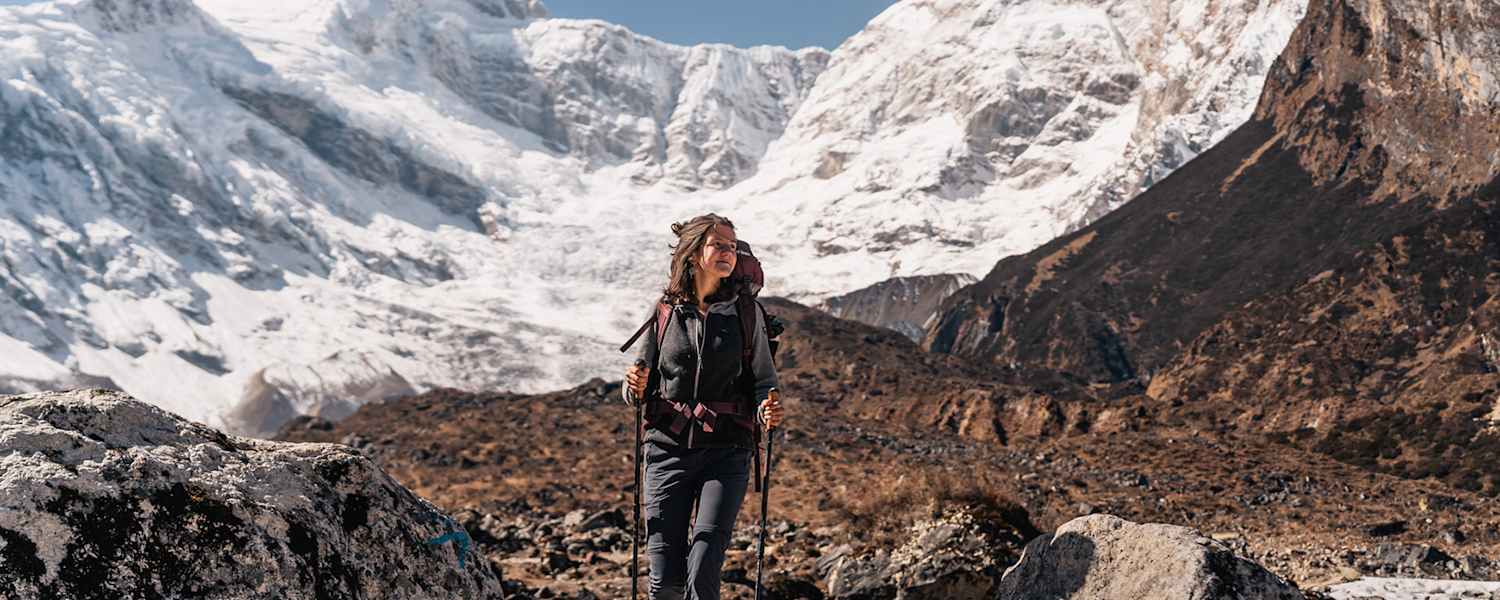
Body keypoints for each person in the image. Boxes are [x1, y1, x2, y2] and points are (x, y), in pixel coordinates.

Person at [624, 213, 785, 600]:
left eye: (732, 246)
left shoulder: (747, 313)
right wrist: (633, 387)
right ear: (695, 252)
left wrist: (767, 409)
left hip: (727, 451)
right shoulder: (664, 311)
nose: (728, 252)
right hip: (665, 450)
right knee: (665, 580)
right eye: (719, 245)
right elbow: (637, 387)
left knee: (704, 566)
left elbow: (765, 381)